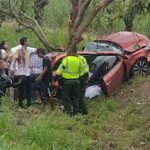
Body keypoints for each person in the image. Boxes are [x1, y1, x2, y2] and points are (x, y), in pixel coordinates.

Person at [55, 47, 82, 116]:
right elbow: (81, 71)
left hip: (67, 82)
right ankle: (76, 112)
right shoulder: (79, 60)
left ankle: (69, 113)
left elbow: (59, 70)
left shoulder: (66, 60)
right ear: (76, 52)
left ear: (69, 52)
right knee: (75, 97)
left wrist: (56, 78)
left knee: (66, 97)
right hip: (76, 81)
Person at [13, 37, 36, 108]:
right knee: (21, 89)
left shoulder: (28, 50)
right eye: (28, 41)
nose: (29, 42)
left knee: (29, 88)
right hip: (20, 73)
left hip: (27, 73)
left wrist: (30, 67)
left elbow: (27, 60)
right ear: (25, 42)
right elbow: (14, 61)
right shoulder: (18, 50)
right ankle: (20, 104)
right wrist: (14, 70)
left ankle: (29, 104)